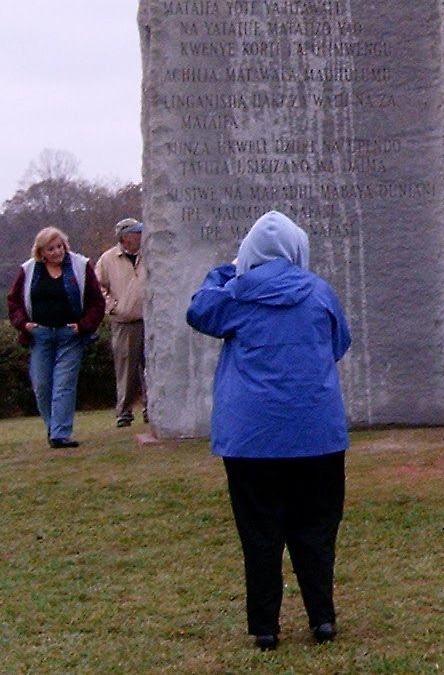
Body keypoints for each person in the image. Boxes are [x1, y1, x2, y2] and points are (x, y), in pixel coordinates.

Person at [186, 210, 351, 651]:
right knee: (316, 528)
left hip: (252, 436)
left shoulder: (236, 293)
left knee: (259, 532)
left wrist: (226, 271)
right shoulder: (319, 293)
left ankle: (265, 626)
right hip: (316, 431)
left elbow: (198, 311)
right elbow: (340, 344)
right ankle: (322, 619)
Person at [6, 226, 106, 448]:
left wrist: (83, 326)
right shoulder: (28, 270)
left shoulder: (80, 267)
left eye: (60, 247)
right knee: (42, 386)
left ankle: (61, 434)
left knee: (64, 385)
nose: (57, 252)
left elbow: (96, 302)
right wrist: (24, 324)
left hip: (70, 336)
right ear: (41, 252)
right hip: (39, 336)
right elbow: (13, 302)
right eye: (51, 249)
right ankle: (53, 428)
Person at [97, 217, 147, 428]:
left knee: (151, 369)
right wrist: (113, 307)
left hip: (150, 321)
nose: (141, 236)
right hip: (124, 322)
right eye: (137, 233)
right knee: (125, 369)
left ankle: (152, 408)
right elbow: (98, 287)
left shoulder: (150, 254)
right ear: (126, 237)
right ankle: (124, 412)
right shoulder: (108, 259)